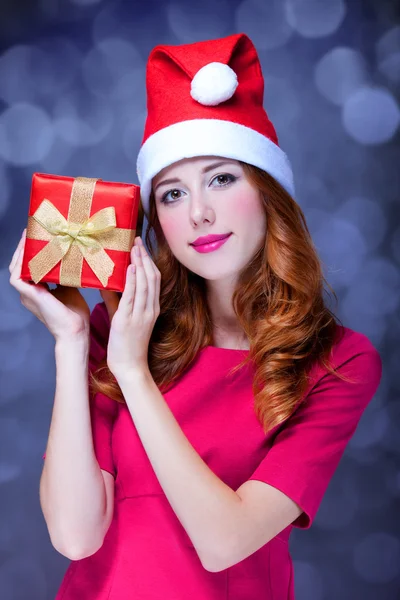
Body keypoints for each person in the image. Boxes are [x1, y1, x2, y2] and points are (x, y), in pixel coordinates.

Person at [9, 33, 382, 599]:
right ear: (156, 220)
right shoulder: (122, 330)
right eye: (172, 194)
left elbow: (224, 540)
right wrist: (73, 338)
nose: (200, 214)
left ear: (268, 190)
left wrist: (132, 373)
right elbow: (74, 535)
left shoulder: (339, 360)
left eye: (222, 178)